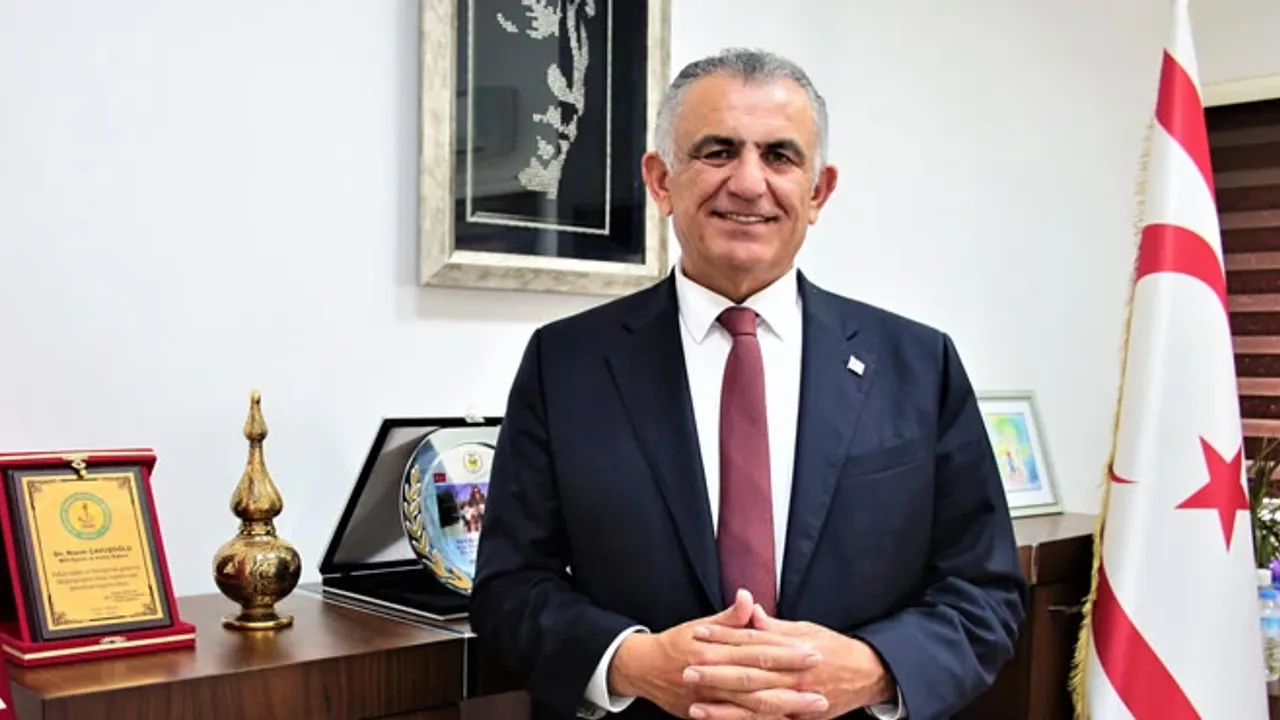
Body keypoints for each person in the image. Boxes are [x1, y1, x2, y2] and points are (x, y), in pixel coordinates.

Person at [471, 47, 1028, 720]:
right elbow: (509, 590)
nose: (748, 183)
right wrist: (634, 663)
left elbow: (985, 592)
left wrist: (875, 669)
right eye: (717, 151)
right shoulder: (565, 364)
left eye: (780, 157)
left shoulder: (919, 364)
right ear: (660, 180)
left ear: (818, 193)